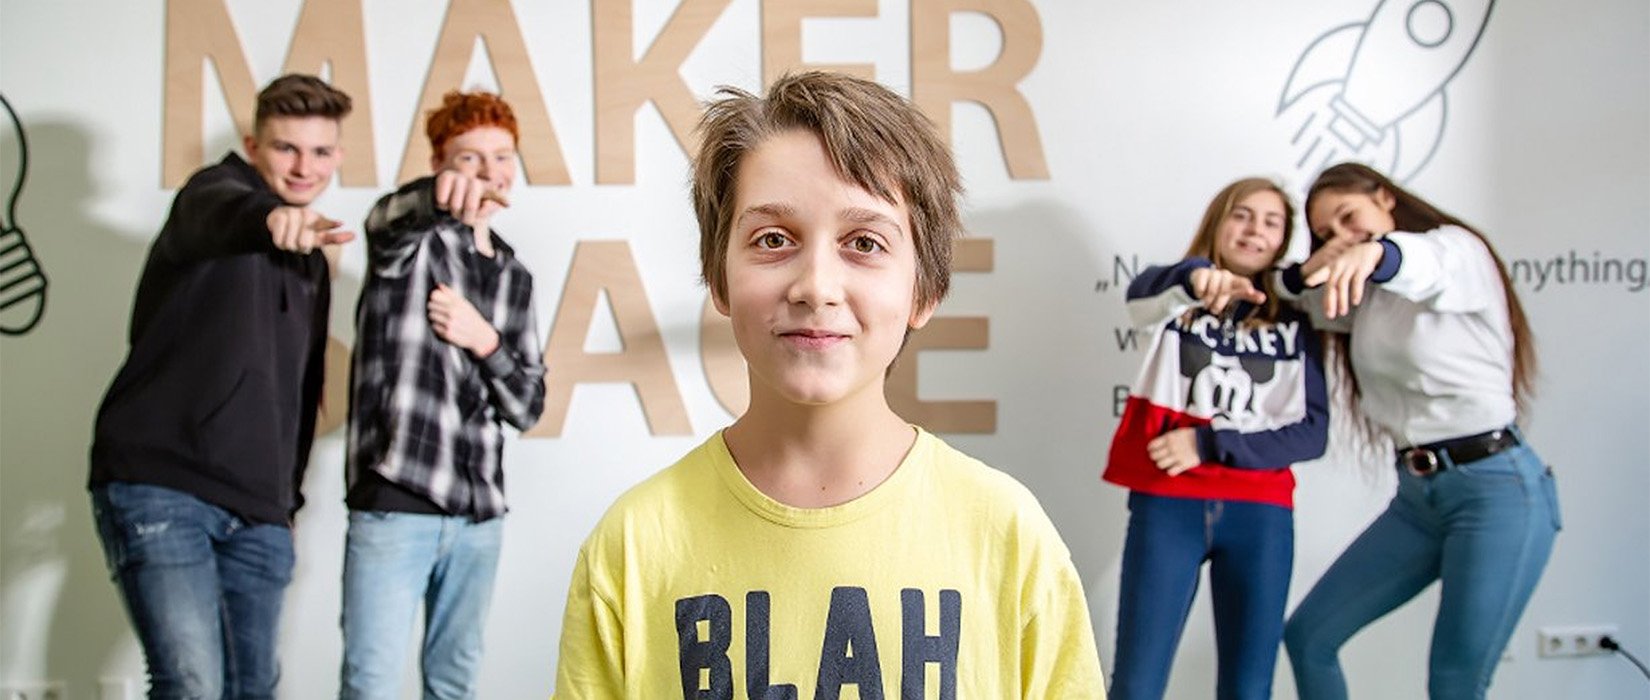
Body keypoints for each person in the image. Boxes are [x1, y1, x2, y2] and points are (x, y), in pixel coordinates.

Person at [551, 71, 1105, 698]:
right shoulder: (631, 545)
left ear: (924, 290)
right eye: (773, 239)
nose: (816, 285)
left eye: (864, 242)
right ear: (720, 280)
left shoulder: (1009, 536)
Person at [88, 73, 353, 699]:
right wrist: (273, 218)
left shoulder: (311, 261)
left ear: (338, 156)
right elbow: (225, 210)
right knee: (192, 685)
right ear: (252, 145)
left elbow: (297, 391)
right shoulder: (212, 196)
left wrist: (286, 501)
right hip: (163, 488)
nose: (302, 167)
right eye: (285, 148)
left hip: (260, 511)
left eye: (319, 152)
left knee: (252, 690)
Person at [1281, 162, 1558, 700]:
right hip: (1417, 499)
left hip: (1496, 490)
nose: (1342, 236)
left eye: (1349, 217)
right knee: (1310, 636)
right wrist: (1317, 263)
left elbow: (1419, 263)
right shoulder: (1361, 296)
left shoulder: (1455, 252)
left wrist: (1373, 252)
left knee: (1455, 682)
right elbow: (1290, 292)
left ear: (1384, 198)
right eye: (1326, 232)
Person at [340, 90, 546, 699]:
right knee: (370, 684)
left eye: (501, 156)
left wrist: (485, 341)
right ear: (439, 164)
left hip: (479, 516)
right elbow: (385, 220)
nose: (488, 172)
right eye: (468, 158)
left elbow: (528, 405)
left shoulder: (515, 276)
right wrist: (433, 200)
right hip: (397, 500)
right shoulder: (412, 248)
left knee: (453, 686)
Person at [1103, 178, 1328, 700]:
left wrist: (1208, 444)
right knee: (1136, 685)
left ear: (1283, 240)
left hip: (1261, 513)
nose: (1255, 230)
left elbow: (1312, 433)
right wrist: (1197, 279)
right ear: (1218, 222)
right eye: (1242, 215)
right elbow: (1142, 297)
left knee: (1249, 689)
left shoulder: (1296, 319)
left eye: (1271, 222)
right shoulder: (1172, 296)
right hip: (1168, 506)